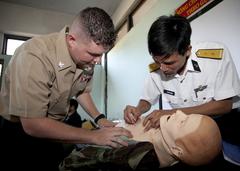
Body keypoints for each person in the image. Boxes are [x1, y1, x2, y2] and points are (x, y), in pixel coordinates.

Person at [0, 7, 132, 171]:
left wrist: (99, 119)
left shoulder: (85, 60)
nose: (97, 61)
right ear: (71, 40)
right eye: (93, 54)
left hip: (54, 130)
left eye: (101, 55)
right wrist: (93, 136)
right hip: (20, 135)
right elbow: (32, 124)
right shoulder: (34, 57)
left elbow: (81, 90)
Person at [124, 14, 240, 132]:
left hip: (223, 123)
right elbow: (147, 99)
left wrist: (171, 113)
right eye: (156, 61)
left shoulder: (214, 58)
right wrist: (138, 109)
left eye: (169, 63)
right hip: (186, 127)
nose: (162, 68)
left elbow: (224, 105)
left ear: (187, 50)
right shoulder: (157, 69)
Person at [59, 110, 222, 170]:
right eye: (186, 115)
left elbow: (73, 162)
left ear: (177, 150)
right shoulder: (164, 139)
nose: (178, 113)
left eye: (182, 122)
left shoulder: (133, 155)